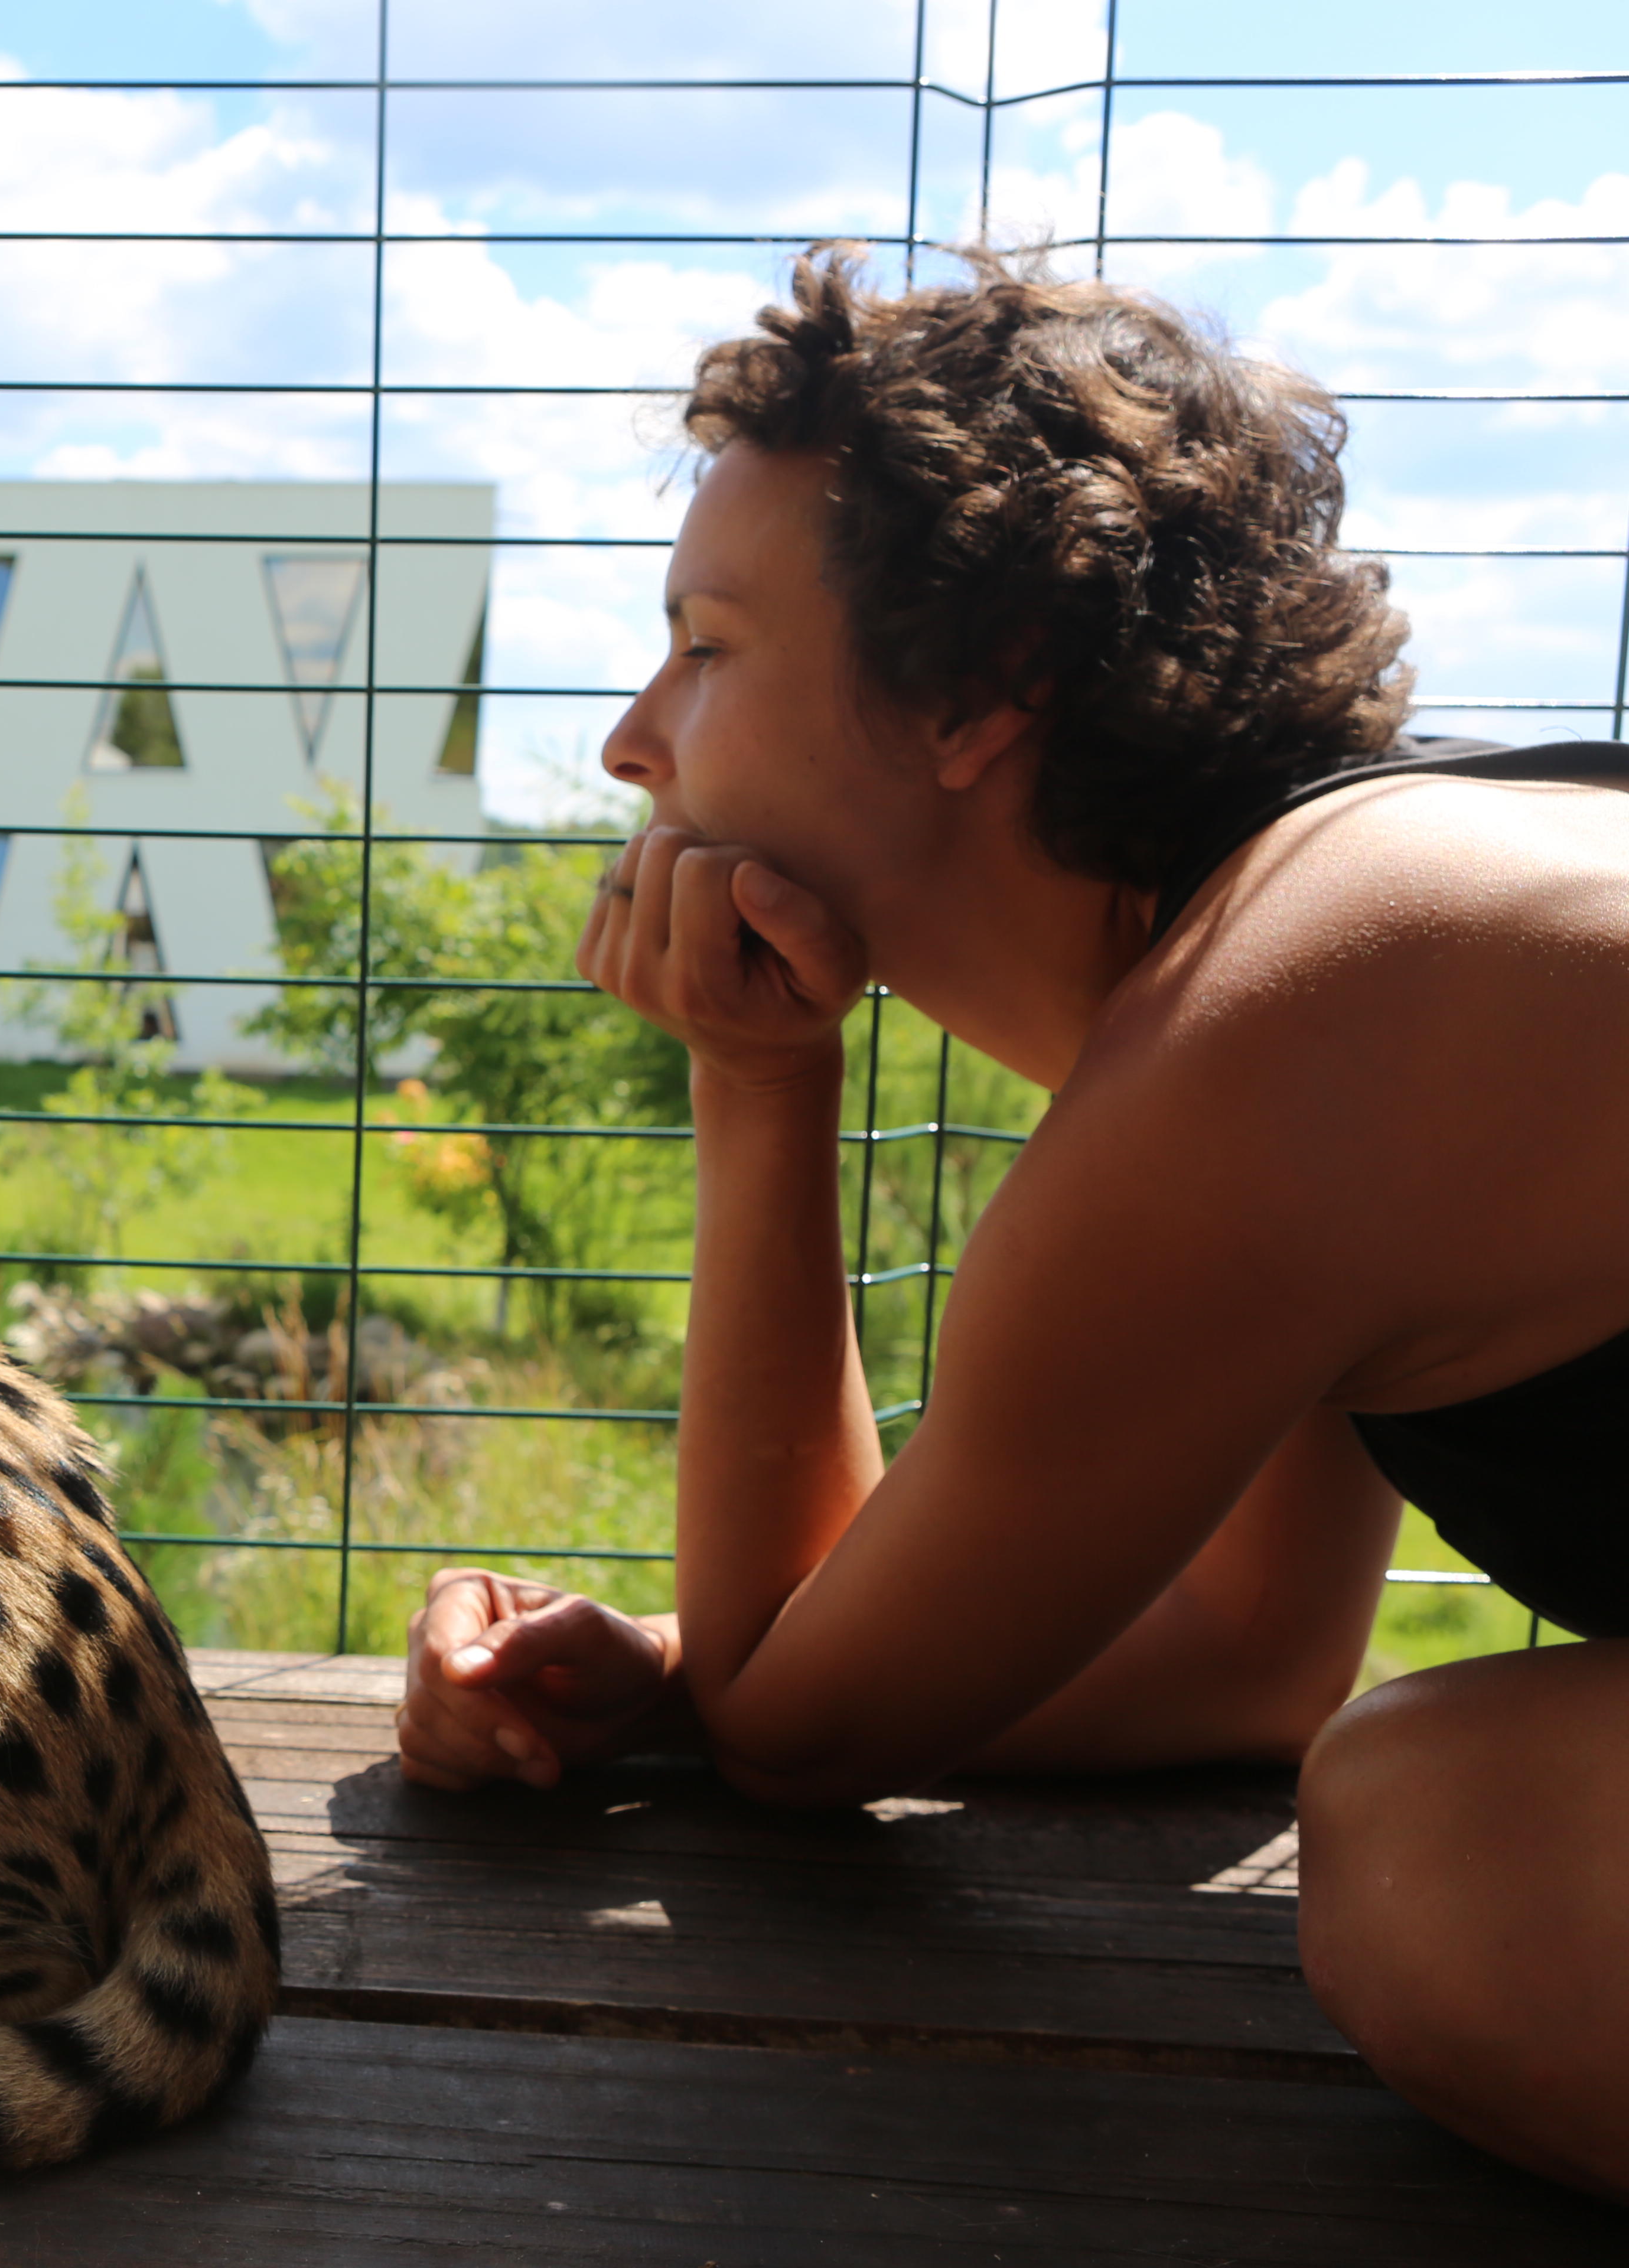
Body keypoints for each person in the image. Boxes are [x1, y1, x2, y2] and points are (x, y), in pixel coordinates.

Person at [395, 247, 1629, 2200]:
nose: (636, 741)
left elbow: (805, 1737)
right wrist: (688, 1653)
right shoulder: (1348, 928)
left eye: (706, 647)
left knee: (1438, 1848)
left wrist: (759, 1082)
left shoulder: (1296, 1013)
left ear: (983, 691)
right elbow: (1244, 1647)